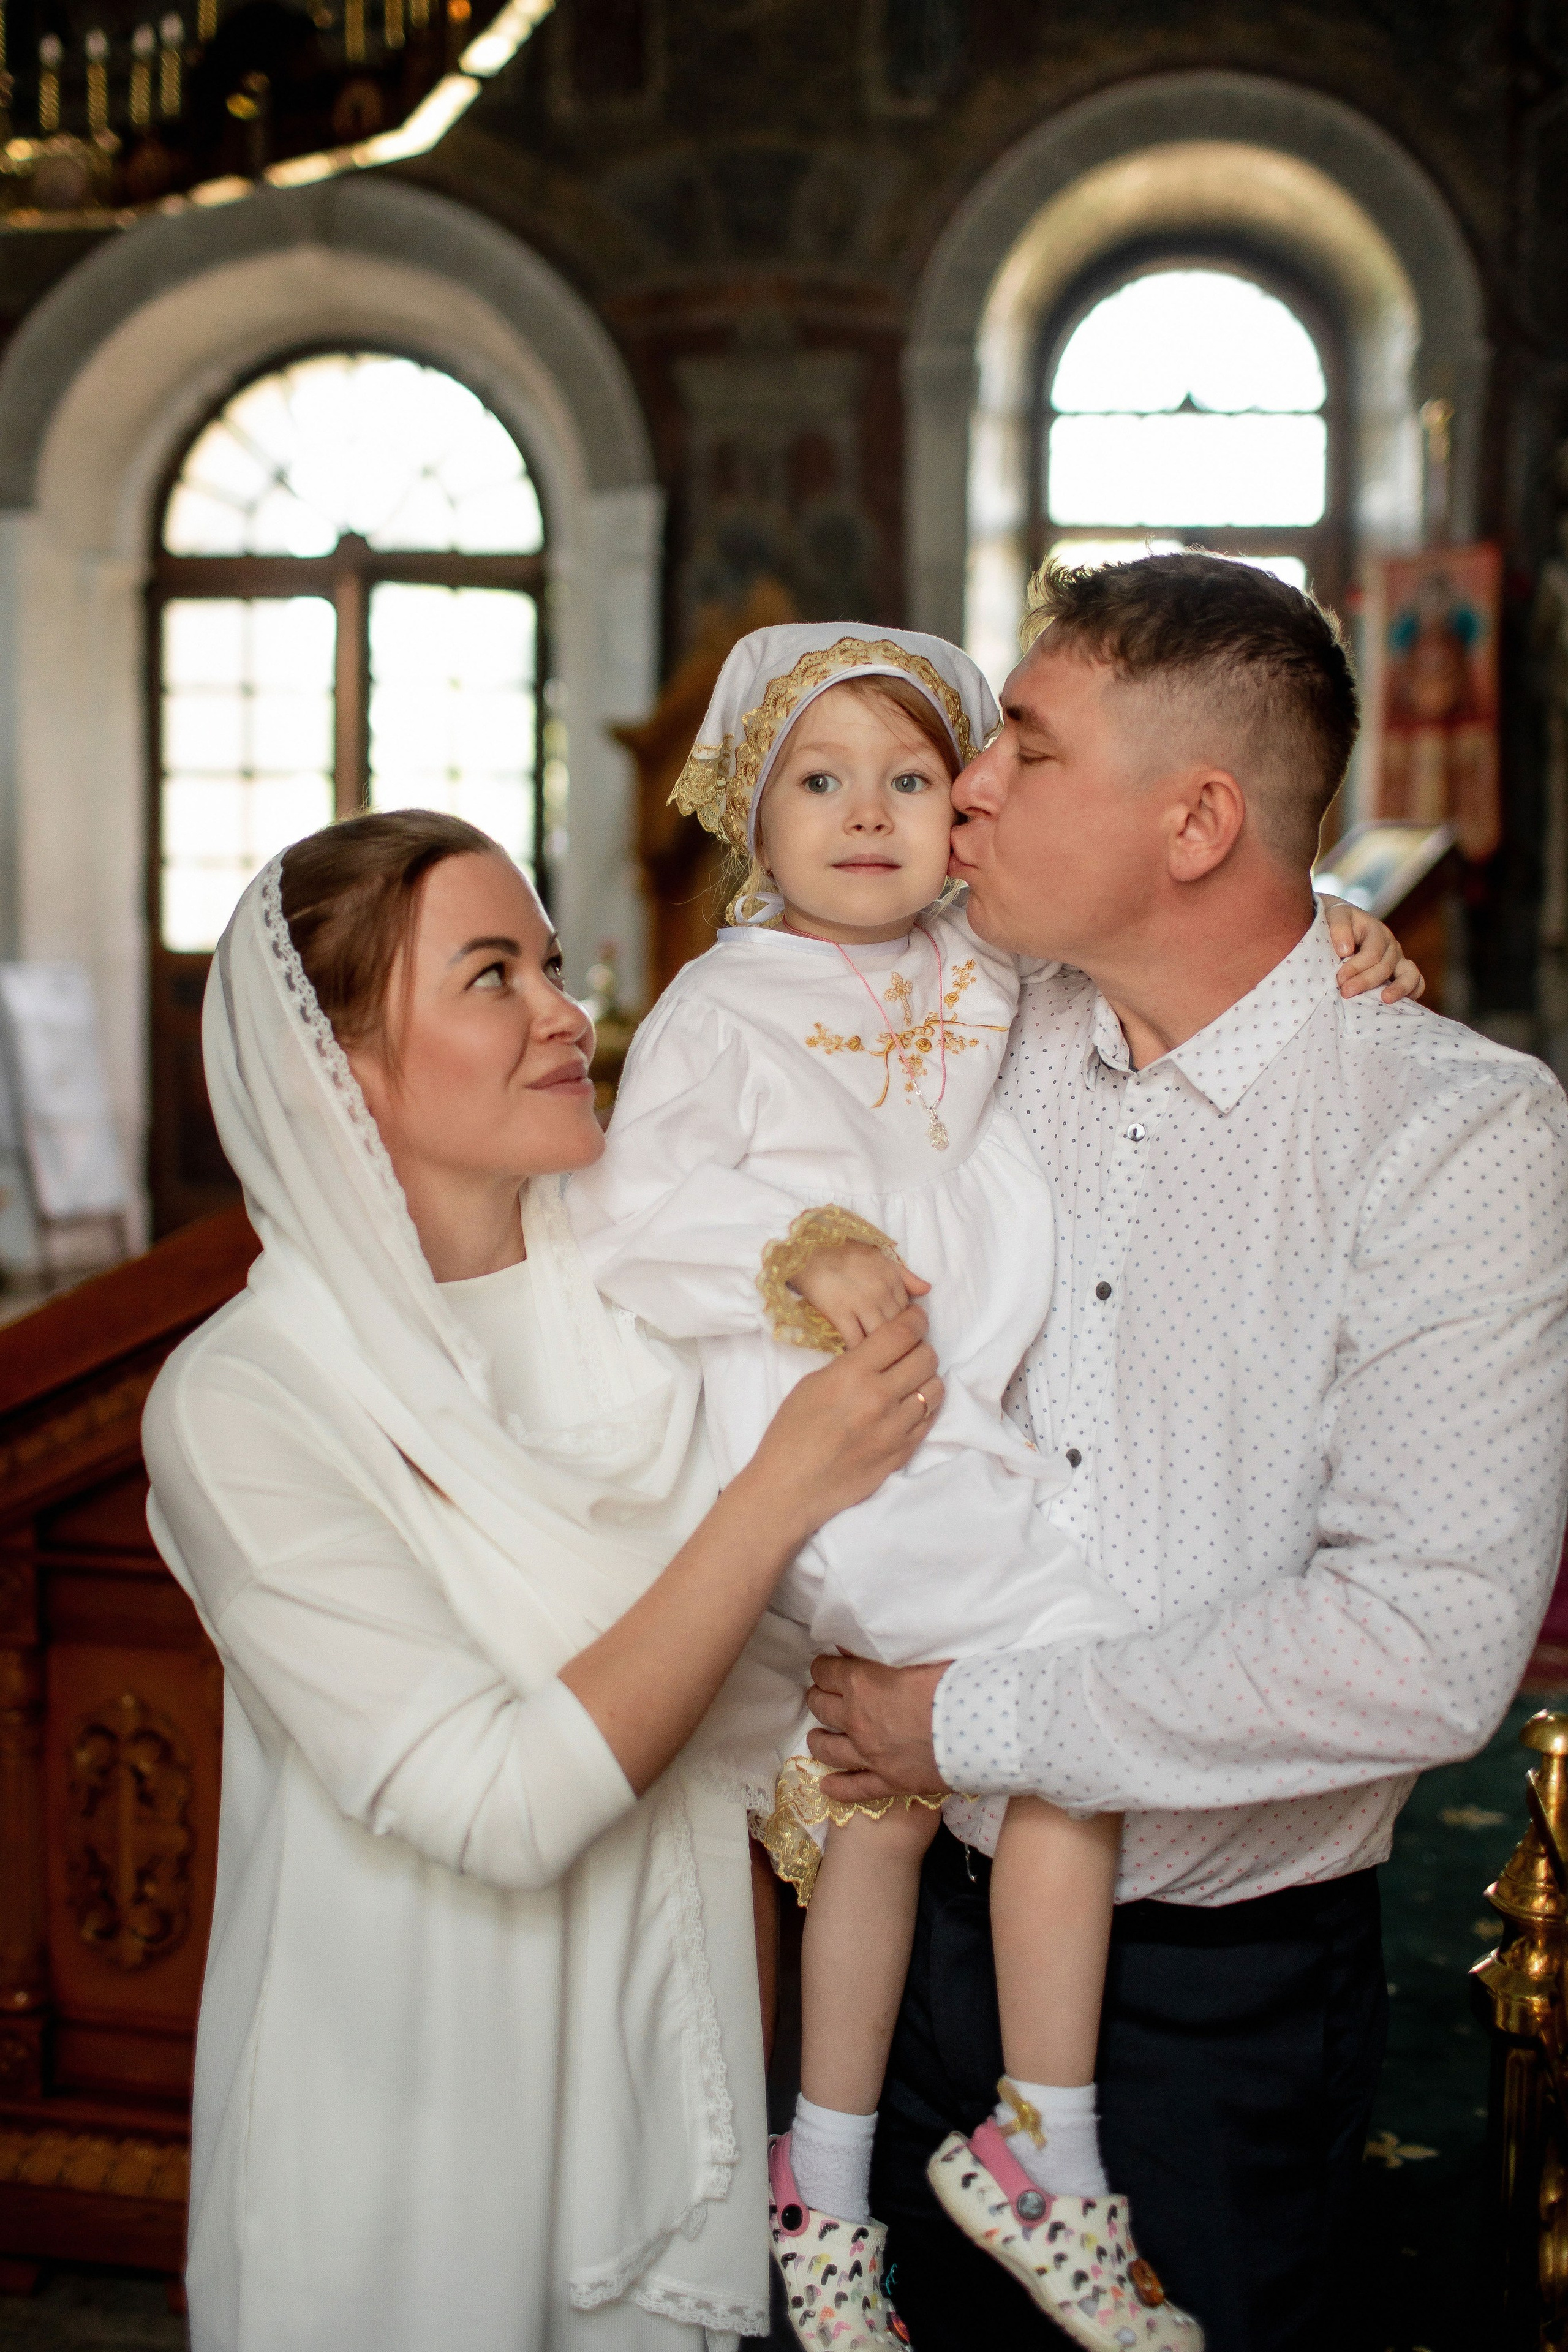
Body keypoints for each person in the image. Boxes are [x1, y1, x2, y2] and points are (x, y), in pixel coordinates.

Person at [567, 620, 1422, 2351]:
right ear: (747, 810)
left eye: (913, 778)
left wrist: (1334, 926)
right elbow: (633, 1212)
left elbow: (1186, 938)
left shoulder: (987, 959)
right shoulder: (721, 1002)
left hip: (948, 1439)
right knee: (1070, 1701)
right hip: (827, 1428)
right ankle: (1047, 2145)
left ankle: (824, 2196)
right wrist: (802, 1249)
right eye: (819, 781)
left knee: (884, 1805)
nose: (871, 814)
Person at [801, 554, 1568, 2352]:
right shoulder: (960, 1032)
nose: (967, 787)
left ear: (1199, 821)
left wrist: (958, 1723)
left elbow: (1421, 1642)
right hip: (892, 1940)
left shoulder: (1444, 1131)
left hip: (1206, 2012)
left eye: (1026, 748)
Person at [141, 810, 941, 2352]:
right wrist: (778, 1491)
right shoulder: (247, 1399)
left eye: (550, 965)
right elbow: (495, 1806)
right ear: (336, 1069)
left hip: (674, 2071)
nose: (567, 1013)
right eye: (491, 976)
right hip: (410, 2121)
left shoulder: (663, 1284)